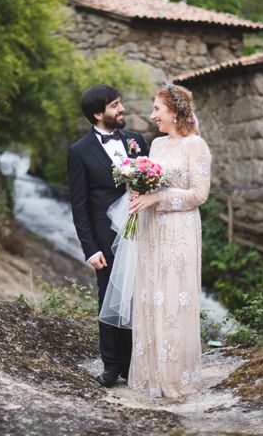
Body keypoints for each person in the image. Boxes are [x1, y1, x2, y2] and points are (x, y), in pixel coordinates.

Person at [112, 82, 211, 398]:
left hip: (179, 230)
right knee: (151, 296)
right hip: (152, 231)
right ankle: (151, 374)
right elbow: (149, 186)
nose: (152, 115)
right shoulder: (155, 146)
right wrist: (138, 192)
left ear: (174, 112)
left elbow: (199, 194)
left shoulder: (196, 146)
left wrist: (157, 199)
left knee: (172, 297)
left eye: (157, 109)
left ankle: (175, 377)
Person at [67, 84, 149, 388]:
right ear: (98, 113)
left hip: (142, 231)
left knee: (140, 296)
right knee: (111, 299)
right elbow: (80, 205)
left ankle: (137, 364)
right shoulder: (78, 152)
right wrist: (89, 248)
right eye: (115, 106)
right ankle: (113, 366)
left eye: (120, 103)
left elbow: (152, 180)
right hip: (106, 239)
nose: (122, 109)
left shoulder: (136, 140)